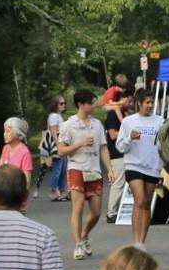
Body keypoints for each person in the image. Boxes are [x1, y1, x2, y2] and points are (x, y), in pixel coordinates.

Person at [58, 90, 112, 261]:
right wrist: (79, 143)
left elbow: (103, 147)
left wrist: (110, 168)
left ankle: (84, 234)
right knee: (78, 207)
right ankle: (78, 244)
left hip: (94, 169)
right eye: (90, 103)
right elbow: (61, 151)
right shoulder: (68, 125)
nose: (93, 105)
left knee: (96, 212)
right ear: (81, 104)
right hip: (76, 168)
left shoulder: (97, 125)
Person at [116, 89, 164, 249]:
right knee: (140, 200)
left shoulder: (160, 121)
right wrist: (130, 138)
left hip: (153, 166)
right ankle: (136, 240)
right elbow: (120, 146)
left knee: (147, 203)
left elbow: (165, 145)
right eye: (147, 103)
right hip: (133, 165)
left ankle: (142, 241)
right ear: (139, 103)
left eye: (152, 102)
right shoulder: (128, 122)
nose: (150, 106)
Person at [103, 92, 130, 223]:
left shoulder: (121, 113)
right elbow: (113, 135)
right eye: (128, 101)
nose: (130, 104)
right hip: (116, 154)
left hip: (123, 153)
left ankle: (115, 211)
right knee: (118, 184)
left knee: (120, 183)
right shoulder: (113, 114)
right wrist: (128, 133)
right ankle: (111, 212)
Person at [0, 117, 35, 204]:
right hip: (4, 197)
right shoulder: (5, 148)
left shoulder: (25, 152)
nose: (4, 134)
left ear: (18, 133)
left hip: (17, 200)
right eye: (4, 131)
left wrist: (21, 197)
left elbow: (27, 179)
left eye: (8, 131)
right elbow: (1, 170)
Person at [45, 97, 68, 201]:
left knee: (63, 169)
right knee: (57, 170)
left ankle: (62, 191)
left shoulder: (58, 116)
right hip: (57, 146)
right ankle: (54, 191)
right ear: (55, 105)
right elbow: (54, 132)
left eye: (64, 103)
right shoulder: (54, 116)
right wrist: (59, 145)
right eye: (61, 103)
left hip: (62, 144)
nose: (63, 105)